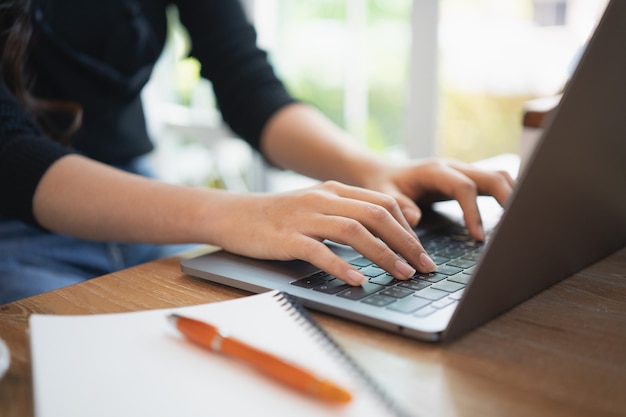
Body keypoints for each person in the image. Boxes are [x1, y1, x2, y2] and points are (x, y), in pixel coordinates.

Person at [0, 0, 514, 305]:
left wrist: (372, 168)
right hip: (16, 228)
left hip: (143, 201)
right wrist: (236, 214)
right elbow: (11, 157)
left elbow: (247, 84)